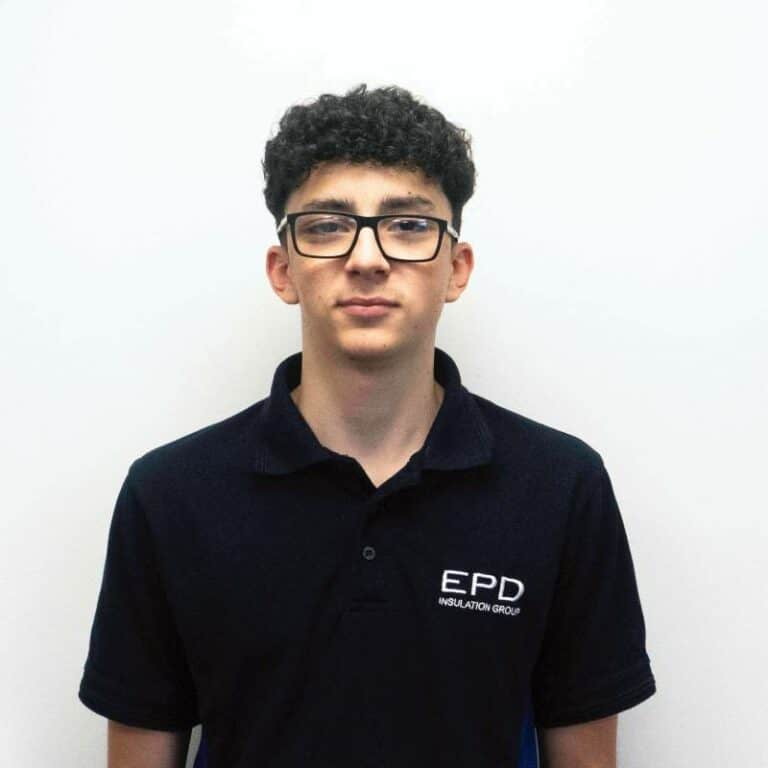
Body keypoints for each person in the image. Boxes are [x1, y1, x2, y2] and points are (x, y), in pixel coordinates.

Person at [78, 83, 656, 768]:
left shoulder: (560, 487)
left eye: (409, 225)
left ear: (456, 268)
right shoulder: (170, 495)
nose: (368, 257)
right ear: (282, 268)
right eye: (326, 225)